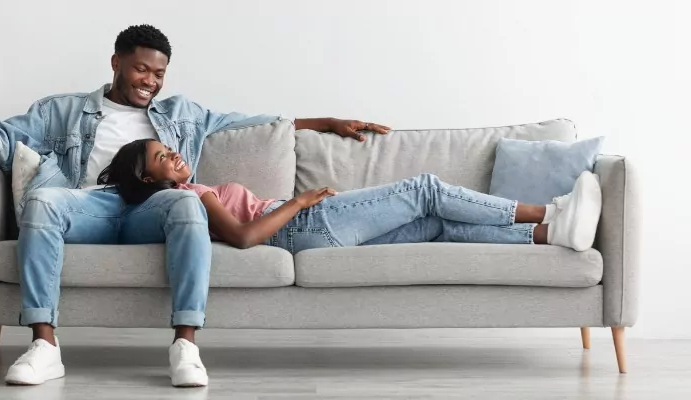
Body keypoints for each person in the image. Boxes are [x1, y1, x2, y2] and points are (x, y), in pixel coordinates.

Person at [0, 24, 390, 387]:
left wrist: (326, 122)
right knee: (43, 200)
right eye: (142, 69)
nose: (150, 82)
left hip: (151, 208)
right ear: (116, 62)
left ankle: (186, 346)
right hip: (89, 207)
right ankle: (45, 346)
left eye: (158, 74)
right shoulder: (64, 110)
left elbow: (256, 122)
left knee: (186, 203)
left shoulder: (182, 114)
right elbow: (6, 131)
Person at [99, 139, 603, 255]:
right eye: (161, 159)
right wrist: (299, 202)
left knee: (435, 226)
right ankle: (551, 208)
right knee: (424, 189)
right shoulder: (190, 196)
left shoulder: (183, 193)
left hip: (304, 231)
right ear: (147, 179)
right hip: (299, 226)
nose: (174, 156)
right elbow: (245, 237)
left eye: (169, 149)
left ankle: (549, 234)